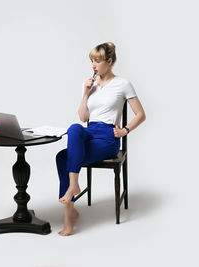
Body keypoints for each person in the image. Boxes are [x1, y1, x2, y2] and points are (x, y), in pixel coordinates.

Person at [55, 42, 146, 236]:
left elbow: (140, 114)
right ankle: (74, 188)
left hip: (107, 138)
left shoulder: (123, 84)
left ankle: (69, 214)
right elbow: (83, 118)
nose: (93, 65)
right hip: (90, 131)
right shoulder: (89, 83)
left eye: (97, 61)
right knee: (74, 128)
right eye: (91, 61)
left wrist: (125, 130)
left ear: (109, 61)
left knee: (62, 158)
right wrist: (86, 93)